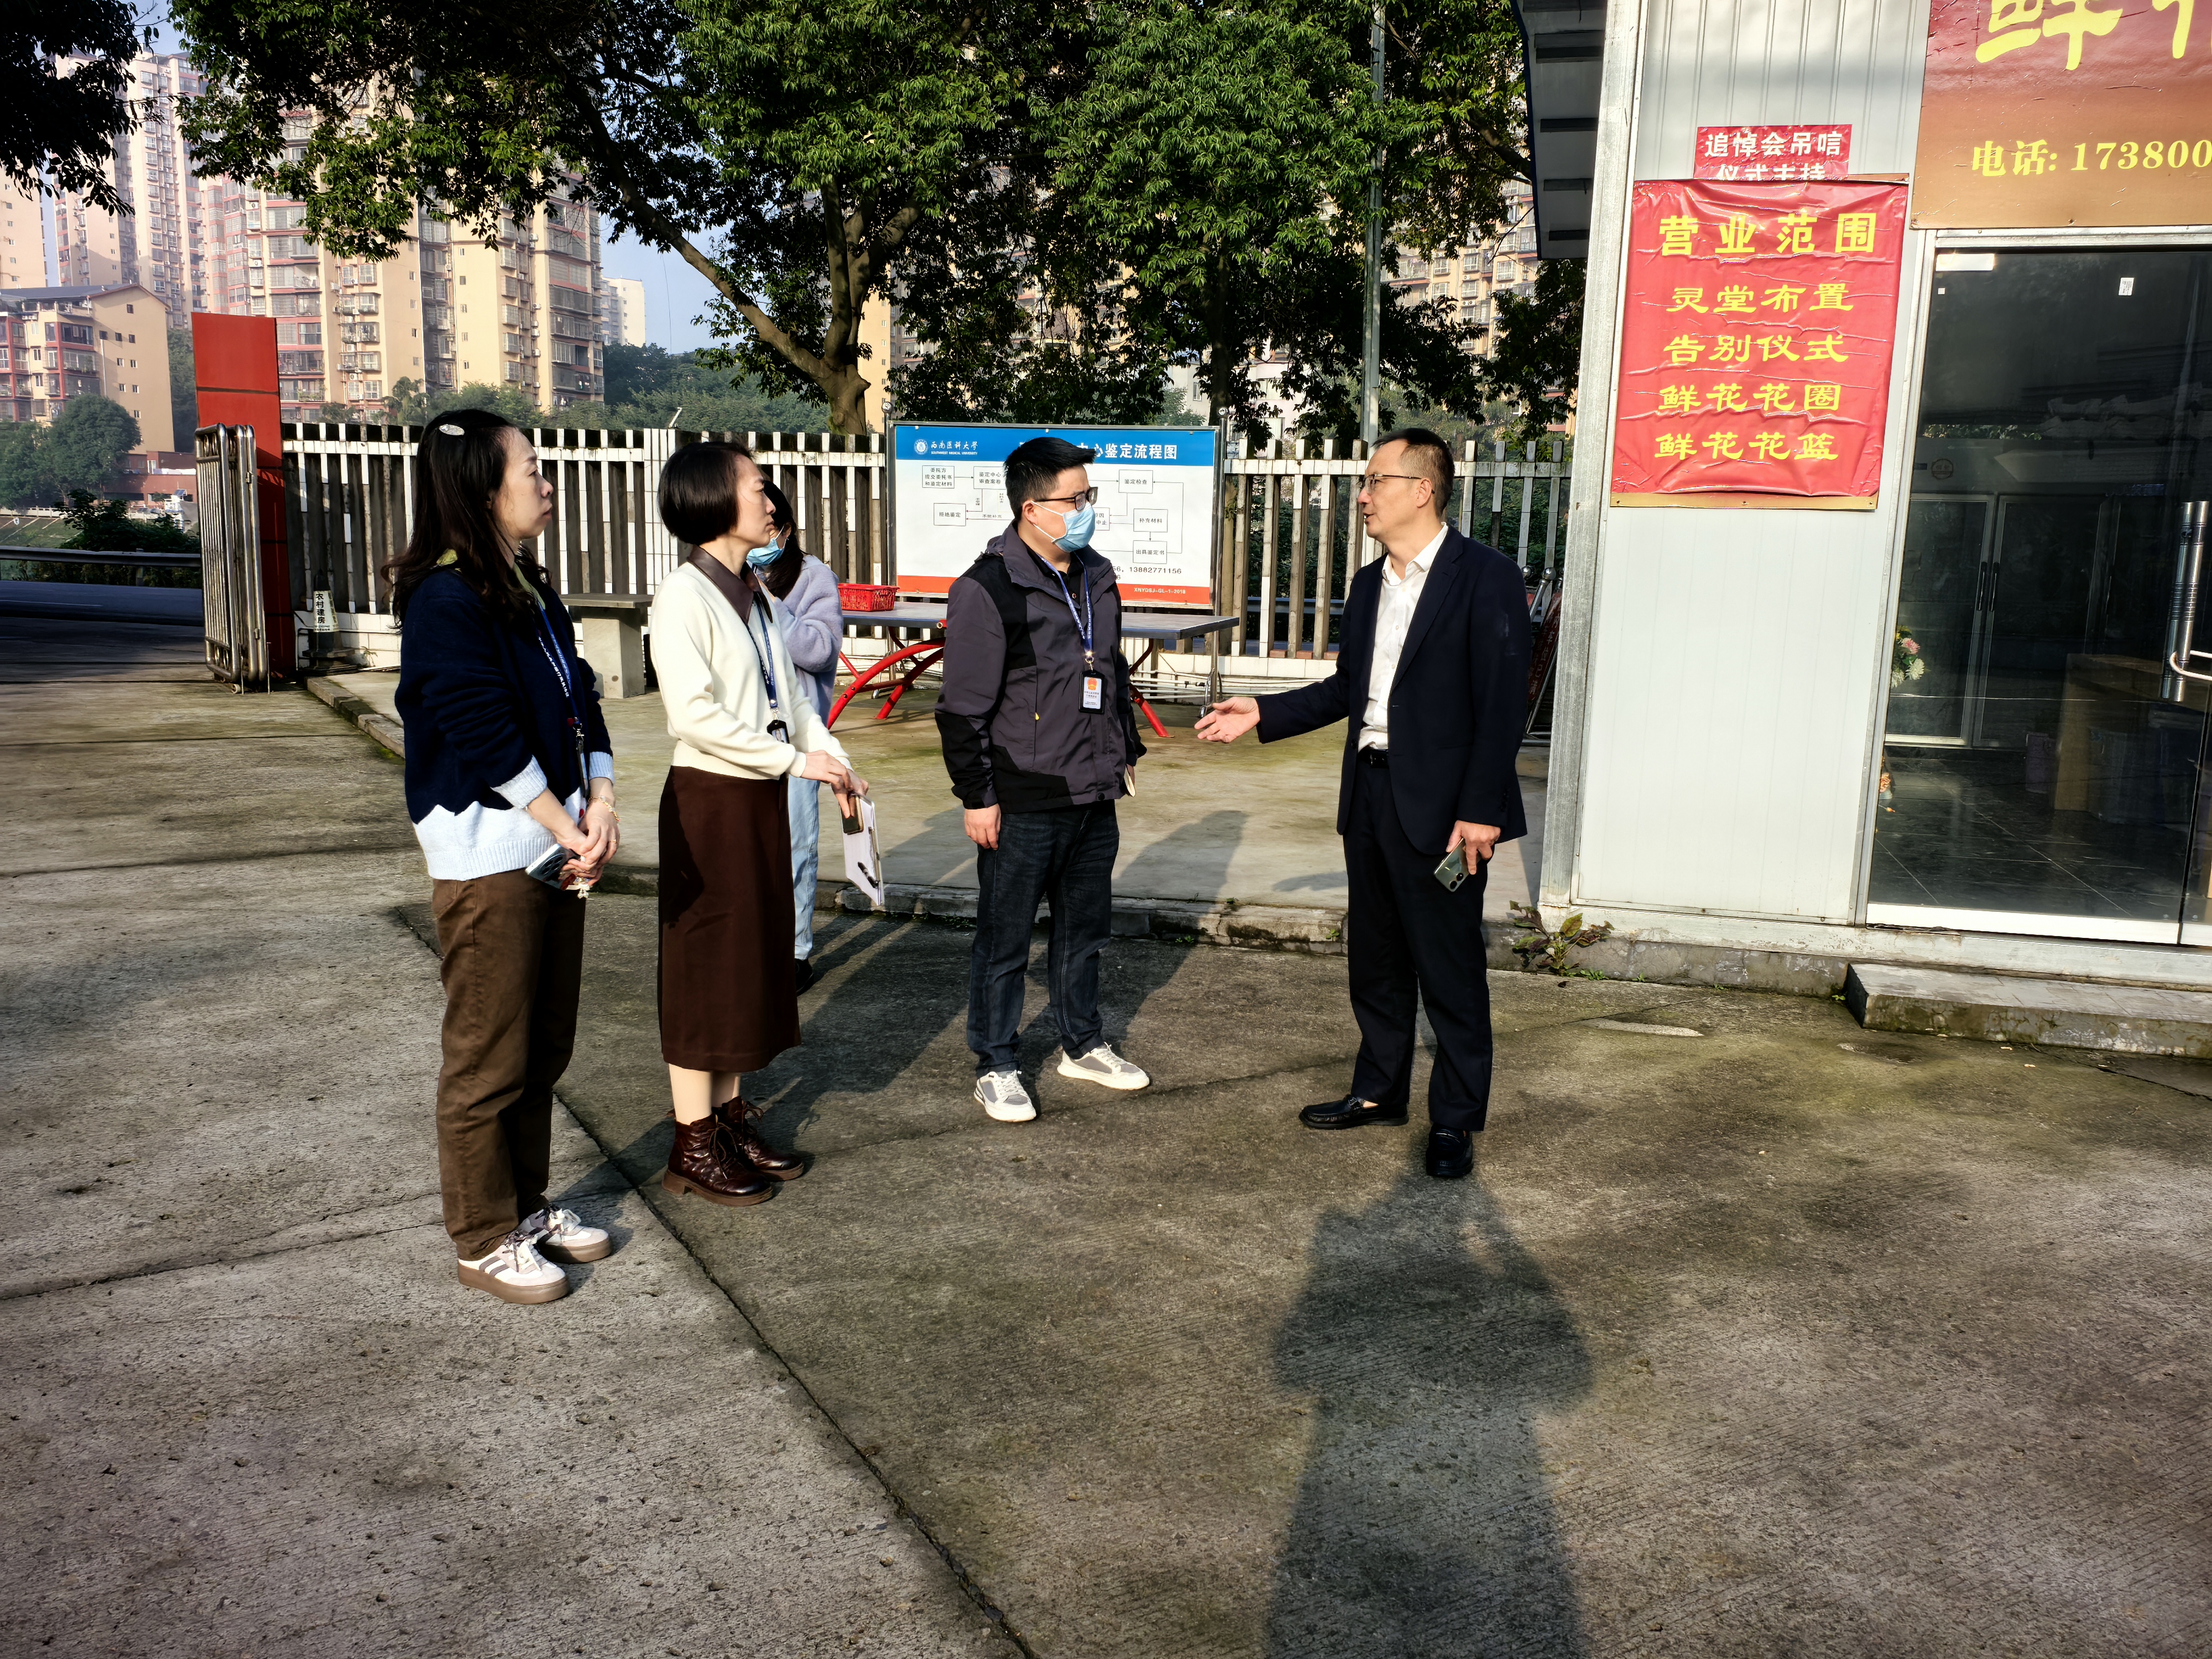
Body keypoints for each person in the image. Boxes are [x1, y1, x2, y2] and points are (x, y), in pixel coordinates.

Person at [1196, 429, 1529, 1180]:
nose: (1364, 497)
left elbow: (1502, 704)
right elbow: (1350, 689)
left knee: (1449, 970)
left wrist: (1480, 809)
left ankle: (1455, 1118)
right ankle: (1379, 1091)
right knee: (1375, 959)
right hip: (1372, 791)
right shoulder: (1371, 583)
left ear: (1423, 489)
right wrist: (1265, 712)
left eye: (1376, 480)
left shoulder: (1486, 577)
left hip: (1446, 807)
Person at [388, 408, 619, 1303]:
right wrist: (565, 823)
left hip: (555, 844)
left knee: (542, 1045)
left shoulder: (526, 586)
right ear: (484, 488)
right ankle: (483, 1234)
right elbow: (479, 728)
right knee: (489, 1054)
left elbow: (581, 698)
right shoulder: (445, 599)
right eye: (532, 468)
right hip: (492, 857)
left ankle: (524, 1206)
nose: (547, 482)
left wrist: (600, 800)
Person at [651, 441, 867, 1203]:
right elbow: (694, 716)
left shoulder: (758, 594)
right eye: (752, 485)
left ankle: (728, 1119)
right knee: (706, 970)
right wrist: (794, 762)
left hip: (758, 797)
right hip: (711, 802)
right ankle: (692, 1142)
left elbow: (795, 702)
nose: (769, 499)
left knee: (746, 966)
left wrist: (834, 761)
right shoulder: (683, 596)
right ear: (712, 500)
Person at [935, 434, 1151, 1123]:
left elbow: (1107, 671)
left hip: (1093, 787)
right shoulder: (987, 588)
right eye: (1075, 499)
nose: (1087, 509)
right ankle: (995, 1063)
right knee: (1005, 939)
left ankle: (1081, 1043)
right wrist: (978, 797)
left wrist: (1125, 750)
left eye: (1089, 496)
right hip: (1023, 794)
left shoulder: (1096, 575)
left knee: (1084, 931)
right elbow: (961, 709)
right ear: (1032, 509)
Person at [755, 479, 844, 993]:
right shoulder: (720, 579)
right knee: (750, 846)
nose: (764, 533)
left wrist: (769, 602)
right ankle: (752, 943)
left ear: (787, 530)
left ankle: (794, 951)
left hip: (798, 735)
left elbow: (819, 651)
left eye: (774, 525)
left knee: (796, 845)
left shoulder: (813, 577)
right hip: (745, 735)